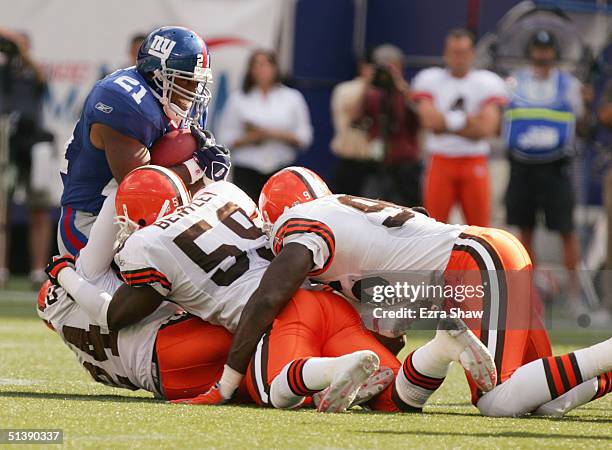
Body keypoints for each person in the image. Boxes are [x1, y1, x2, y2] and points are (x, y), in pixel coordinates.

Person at [200, 166, 612, 417]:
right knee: (548, 401)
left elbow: (267, 298)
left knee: (496, 401)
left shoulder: (301, 223)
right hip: (484, 254)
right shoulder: (346, 223)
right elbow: (389, 336)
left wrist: (228, 380)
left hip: (473, 261)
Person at [57, 26, 230, 256]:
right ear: (157, 74)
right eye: (186, 81)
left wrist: (207, 177)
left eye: (197, 82)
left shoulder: (181, 102)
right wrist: (197, 167)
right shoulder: (124, 101)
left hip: (148, 223)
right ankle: (61, 290)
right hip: (93, 221)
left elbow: (179, 195)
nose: (193, 91)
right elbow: (142, 189)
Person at [504, 30, 591, 310]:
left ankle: (574, 295)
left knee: (566, 230)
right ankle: (527, 297)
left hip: (556, 168)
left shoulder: (570, 85)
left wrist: (586, 104)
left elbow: (584, 127)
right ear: (531, 52)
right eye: (538, 49)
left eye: (547, 50)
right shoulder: (513, 83)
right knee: (524, 230)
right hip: (522, 167)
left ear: (554, 53)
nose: (543, 55)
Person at [413, 28, 507, 226]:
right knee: (432, 227)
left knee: (479, 228)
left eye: (463, 52)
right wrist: (469, 121)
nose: (458, 58)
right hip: (441, 160)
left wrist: (446, 121)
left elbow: (486, 129)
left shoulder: (487, 82)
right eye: (454, 52)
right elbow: (429, 122)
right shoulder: (430, 79)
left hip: (474, 160)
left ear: (472, 53)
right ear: (445, 53)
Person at [216, 49, 312, 201]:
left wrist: (274, 134)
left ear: (275, 68)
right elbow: (224, 138)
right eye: (257, 64)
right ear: (250, 70)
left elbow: (304, 137)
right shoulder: (238, 99)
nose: (262, 69)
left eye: (266, 64)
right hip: (247, 170)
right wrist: (251, 138)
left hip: (281, 168)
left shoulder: (292, 98)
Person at [0, 29, 55, 287]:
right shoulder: (4, 72)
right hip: (5, 143)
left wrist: (18, 47)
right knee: (2, 210)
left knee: (39, 208)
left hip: (33, 142)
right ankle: (2, 268)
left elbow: (42, 79)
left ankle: (37, 270)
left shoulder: (33, 72)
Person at [358, 44, 422, 206]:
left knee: (408, 211)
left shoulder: (408, 93)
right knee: (370, 207)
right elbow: (356, 118)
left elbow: (419, 120)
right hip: (378, 164)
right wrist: (368, 84)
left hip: (405, 166)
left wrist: (400, 87)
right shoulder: (372, 95)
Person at [329, 56, 377, 196]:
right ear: (363, 67)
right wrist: (367, 86)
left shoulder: (385, 92)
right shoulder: (345, 90)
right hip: (348, 161)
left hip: (375, 165)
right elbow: (354, 117)